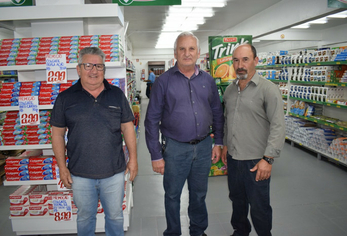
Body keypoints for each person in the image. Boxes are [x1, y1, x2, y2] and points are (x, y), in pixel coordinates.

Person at [50, 47, 138, 236]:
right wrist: (62, 167)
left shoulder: (116, 94)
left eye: (98, 66)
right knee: (85, 217)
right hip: (80, 173)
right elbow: (57, 134)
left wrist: (133, 159)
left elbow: (128, 127)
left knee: (115, 217)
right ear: (79, 69)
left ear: (104, 69)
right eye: (88, 65)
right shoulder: (65, 98)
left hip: (114, 172)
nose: (94, 70)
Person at [145, 32, 224, 236]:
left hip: (205, 146)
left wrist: (219, 142)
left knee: (199, 194)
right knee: (172, 195)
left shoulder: (208, 80)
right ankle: (173, 232)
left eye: (191, 49)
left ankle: (198, 231)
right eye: (182, 49)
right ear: (175, 53)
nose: (187, 53)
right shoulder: (163, 82)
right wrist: (155, 155)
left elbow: (217, 111)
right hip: (175, 148)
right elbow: (151, 120)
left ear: (198, 53)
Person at [222, 44, 285, 236]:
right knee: (237, 201)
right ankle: (240, 231)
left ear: (256, 61)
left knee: (259, 206)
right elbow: (227, 121)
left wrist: (268, 159)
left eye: (245, 59)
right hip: (234, 158)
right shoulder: (229, 91)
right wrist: (225, 145)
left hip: (256, 161)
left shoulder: (268, 89)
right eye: (236, 60)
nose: (240, 65)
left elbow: (278, 126)